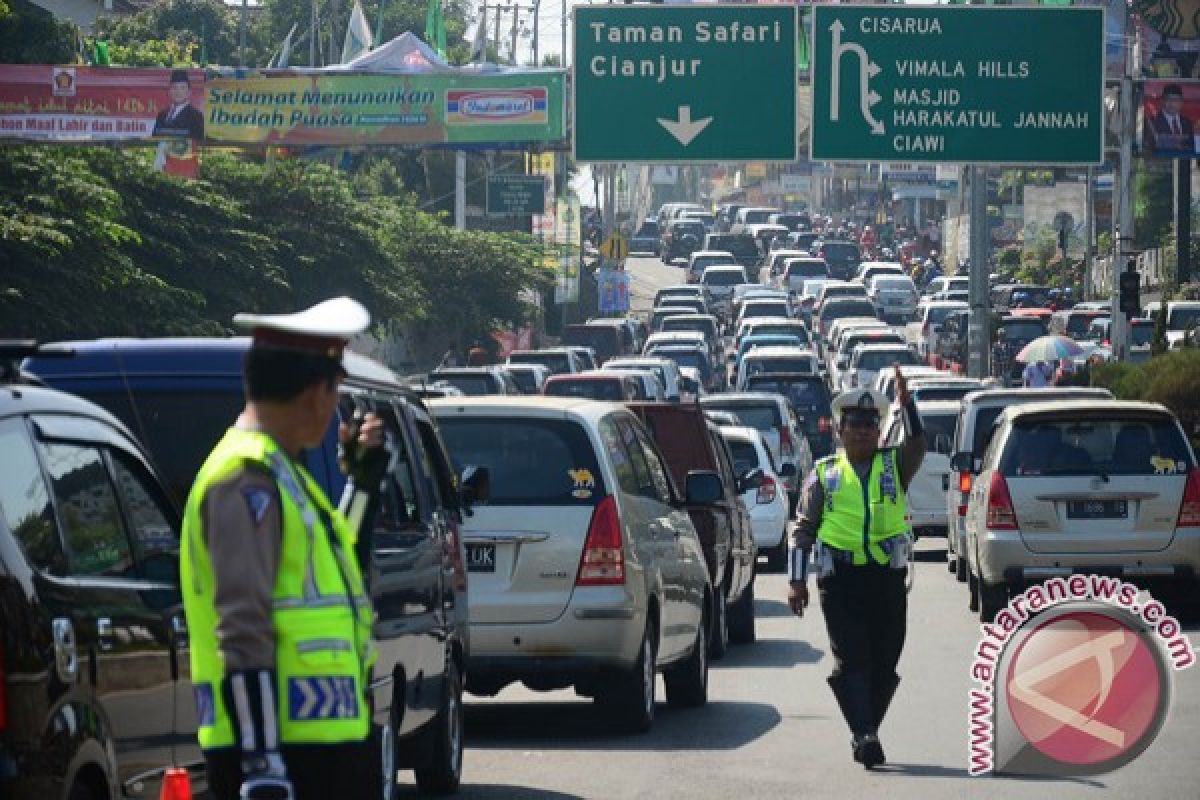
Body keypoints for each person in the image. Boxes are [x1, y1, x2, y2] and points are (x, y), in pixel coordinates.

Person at [180, 297, 389, 800]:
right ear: (317, 392)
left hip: (325, 747)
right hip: (285, 758)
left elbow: (338, 577)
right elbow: (242, 624)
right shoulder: (245, 477)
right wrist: (262, 765)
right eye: (336, 389)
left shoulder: (283, 473)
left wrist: (362, 484)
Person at [787, 367, 925, 769]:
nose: (864, 431)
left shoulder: (893, 466)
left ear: (880, 430)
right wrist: (797, 582)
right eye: (856, 425)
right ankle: (864, 734)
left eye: (871, 424)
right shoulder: (826, 473)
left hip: (885, 578)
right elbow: (803, 530)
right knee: (852, 660)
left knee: (885, 661)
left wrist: (909, 405)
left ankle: (866, 727)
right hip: (841, 582)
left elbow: (917, 444)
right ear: (840, 430)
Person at [153, 69, 205, 140]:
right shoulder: (162, 115)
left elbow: (198, 142)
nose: (178, 92)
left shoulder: (196, 116)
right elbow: (155, 139)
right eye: (174, 87)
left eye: (182, 88)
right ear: (169, 92)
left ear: (189, 92)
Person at [1146, 83, 1194, 154]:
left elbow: (1191, 145)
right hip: (1161, 163)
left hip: (1184, 163)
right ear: (1162, 101)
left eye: (1176, 100)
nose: (1172, 103)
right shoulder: (1152, 122)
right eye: (1168, 99)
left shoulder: (1187, 123)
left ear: (1181, 102)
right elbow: (1149, 146)